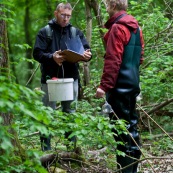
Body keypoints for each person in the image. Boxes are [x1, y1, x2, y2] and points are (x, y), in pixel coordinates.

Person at [33, 2, 92, 151]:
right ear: (56, 13)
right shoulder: (45, 32)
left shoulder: (75, 32)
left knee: (70, 113)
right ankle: (45, 150)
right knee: (47, 113)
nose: (66, 18)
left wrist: (87, 55)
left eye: (68, 16)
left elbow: (86, 51)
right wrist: (51, 57)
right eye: (63, 15)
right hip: (49, 78)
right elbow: (37, 53)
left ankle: (71, 149)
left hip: (71, 78)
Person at [96, 0, 144, 173]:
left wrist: (104, 86)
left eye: (107, 3)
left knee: (121, 131)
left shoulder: (117, 28)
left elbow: (113, 60)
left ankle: (126, 171)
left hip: (118, 88)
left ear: (113, 5)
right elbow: (140, 57)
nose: (105, 6)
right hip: (132, 84)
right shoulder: (136, 28)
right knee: (131, 127)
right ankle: (132, 169)